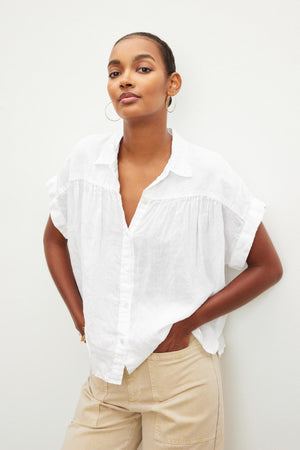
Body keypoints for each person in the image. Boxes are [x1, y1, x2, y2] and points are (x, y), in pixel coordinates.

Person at [43, 31, 283, 450]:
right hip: (106, 376)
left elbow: (267, 267)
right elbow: (53, 239)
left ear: (172, 84)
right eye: (115, 72)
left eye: (142, 68)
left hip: (181, 379)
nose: (125, 80)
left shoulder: (208, 174)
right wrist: (80, 315)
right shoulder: (85, 163)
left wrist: (187, 323)